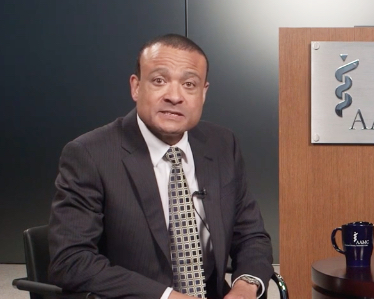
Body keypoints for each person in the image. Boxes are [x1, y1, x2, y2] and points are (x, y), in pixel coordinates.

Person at [48, 33, 273, 299]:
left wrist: (246, 287)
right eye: (159, 80)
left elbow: (251, 235)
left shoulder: (223, 145)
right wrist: (167, 296)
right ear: (136, 87)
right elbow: (71, 260)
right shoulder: (90, 154)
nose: (174, 96)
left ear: (203, 93)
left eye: (189, 84)